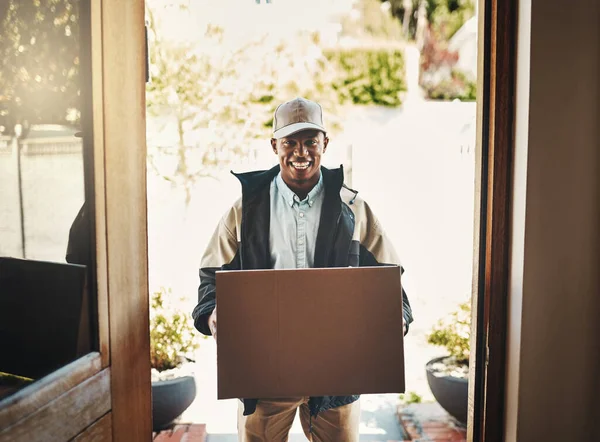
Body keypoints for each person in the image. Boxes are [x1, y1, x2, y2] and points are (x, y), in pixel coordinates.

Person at [192, 97, 414, 442]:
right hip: (264, 373)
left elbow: (388, 273)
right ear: (274, 145)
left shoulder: (352, 207)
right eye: (290, 142)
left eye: (311, 141)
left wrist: (396, 316)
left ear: (325, 143)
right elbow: (211, 275)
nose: (301, 152)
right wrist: (211, 313)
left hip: (335, 374)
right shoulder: (245, 211)